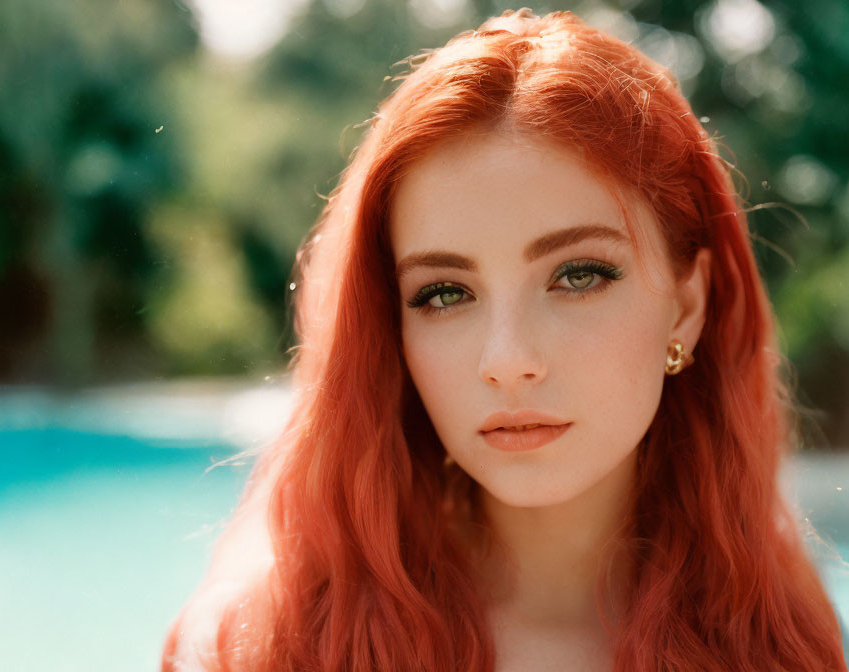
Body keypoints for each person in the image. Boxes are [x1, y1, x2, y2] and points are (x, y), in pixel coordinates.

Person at [161, 8, 848, 671]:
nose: (507, 361)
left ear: (688, 305)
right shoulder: (259, 648)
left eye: (578, 276)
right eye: (444, 294)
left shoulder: (784, 642)